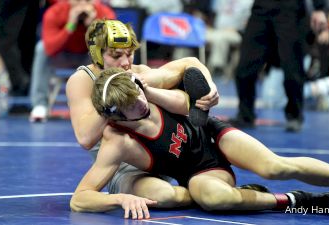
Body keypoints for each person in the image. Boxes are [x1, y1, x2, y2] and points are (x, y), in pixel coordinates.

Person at [71, 67, 329, 219]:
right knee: (213, 199)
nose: (141, 103)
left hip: (213, 135)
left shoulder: (148, 91)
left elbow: (189, 103)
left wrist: (152, 90)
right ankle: (295, 201)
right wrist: (120, 199)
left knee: (275, 167)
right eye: (132, 106)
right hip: (198, 173)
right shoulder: (117, 141)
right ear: (116, 115)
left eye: (139, 94)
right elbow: (80, 198)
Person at [66, 19, 219, 213]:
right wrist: (111, 97)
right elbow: (85, 138)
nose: (125, 63)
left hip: (164, 156)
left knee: (175, 95)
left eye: (129, 54)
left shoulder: (138, 73)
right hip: (123, 167)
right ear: (97, 54)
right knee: (166, 196)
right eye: (116, 56)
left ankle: (216, 194)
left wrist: (210, 88)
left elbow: (191, 63)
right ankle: (208, 194)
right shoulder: (82, 80)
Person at [229, 0, 329, 132]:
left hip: (290, 9)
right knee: (245, 67)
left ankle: (294, 116)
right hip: (261, 9)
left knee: (292, 67)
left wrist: (319, 8)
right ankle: (245, 115)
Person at [29, 0, 116, 122]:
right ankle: (40, 105)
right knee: (41, 49)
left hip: (88, 57)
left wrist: (93, 26)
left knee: (109, 54)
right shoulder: (55, 12)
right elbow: (49, 48)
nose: (82, 5)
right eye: (78, 1)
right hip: (62, 55)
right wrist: (70, 24)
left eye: (86, 1)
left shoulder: (104, 13)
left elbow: (109, 49)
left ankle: (105, 103)